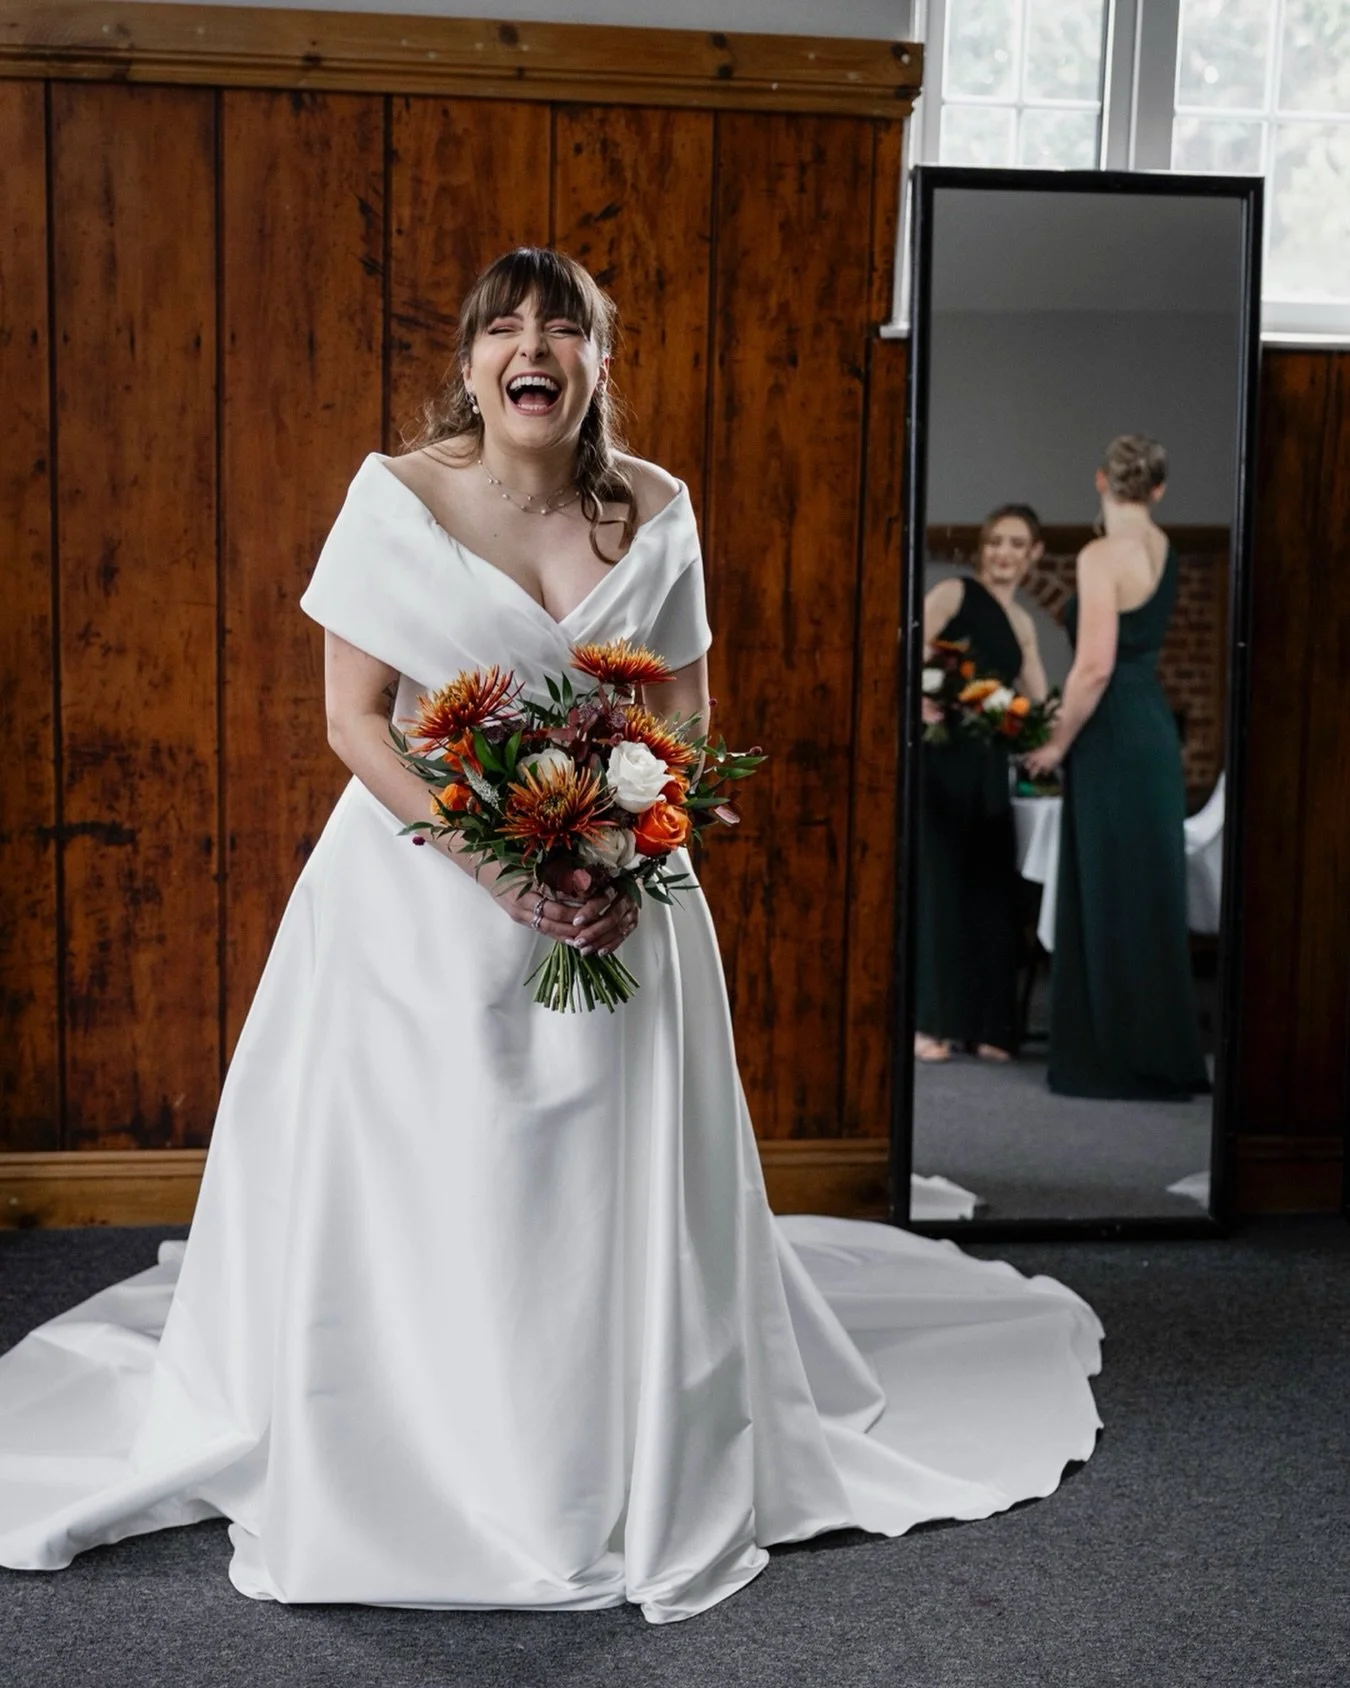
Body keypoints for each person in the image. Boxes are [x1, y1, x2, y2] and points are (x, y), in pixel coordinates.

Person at [0, 250, 1103, 1622]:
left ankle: (614, 1428)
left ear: (596, 364)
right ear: (467, 366)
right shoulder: (391, 496)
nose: (534, 347)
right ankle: (419, 1429)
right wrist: (497, 864)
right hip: (416, 898)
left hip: (622, 890)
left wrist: (631, 841)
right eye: (505, 328)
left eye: (563, 328)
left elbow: (687, 717)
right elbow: (354, 722)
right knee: (433, 1165)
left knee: (603, 1180)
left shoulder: (659, 509)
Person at [1024, 435, 1209, 1099]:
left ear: (1102, 479)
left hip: (1109, 734)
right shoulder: (1167, 548)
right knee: (1148, 894)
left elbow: (1095, 665)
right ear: (1158, 489)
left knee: (1106, 890)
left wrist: (1055, 744)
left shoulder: (1103, 554)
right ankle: (1160, 1050)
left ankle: (1111, 1059)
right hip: (1151, 729)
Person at [914, 505, 1048, 1064]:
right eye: (996, 542)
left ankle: (991, 1026)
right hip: (943, 761)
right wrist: (925, 700)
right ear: (983, 548)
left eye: (1016, 544)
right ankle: (931, 1027)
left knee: (992, 895)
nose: (1004, 553)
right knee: (941, 893)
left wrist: (1042, 734)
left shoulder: (1022, 624)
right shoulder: (953, 593)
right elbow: (911, 653)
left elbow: (1039, 701)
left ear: (1033, 554)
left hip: (990, 765)